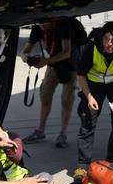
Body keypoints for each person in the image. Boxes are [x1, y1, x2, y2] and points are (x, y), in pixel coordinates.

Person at [74, 21, 113, 177]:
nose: (109, 44)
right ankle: (82, 166)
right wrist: (88, 96)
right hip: (93, 86)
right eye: (106, 39)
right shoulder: (92, 48)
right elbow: (80, 75)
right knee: (87, 125)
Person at [20, 20, 76, 148]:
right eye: (39, 23)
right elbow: (24, 51)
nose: (41, 25)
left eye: (44, 23)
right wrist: (27, 58)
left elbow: (66, 52)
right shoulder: (38, 27)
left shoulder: (63, 25)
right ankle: (40, 130)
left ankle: (63, 133)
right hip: (52, 63)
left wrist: (46, 61)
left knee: (67, 98)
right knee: (45, 93)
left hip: (70, 63)